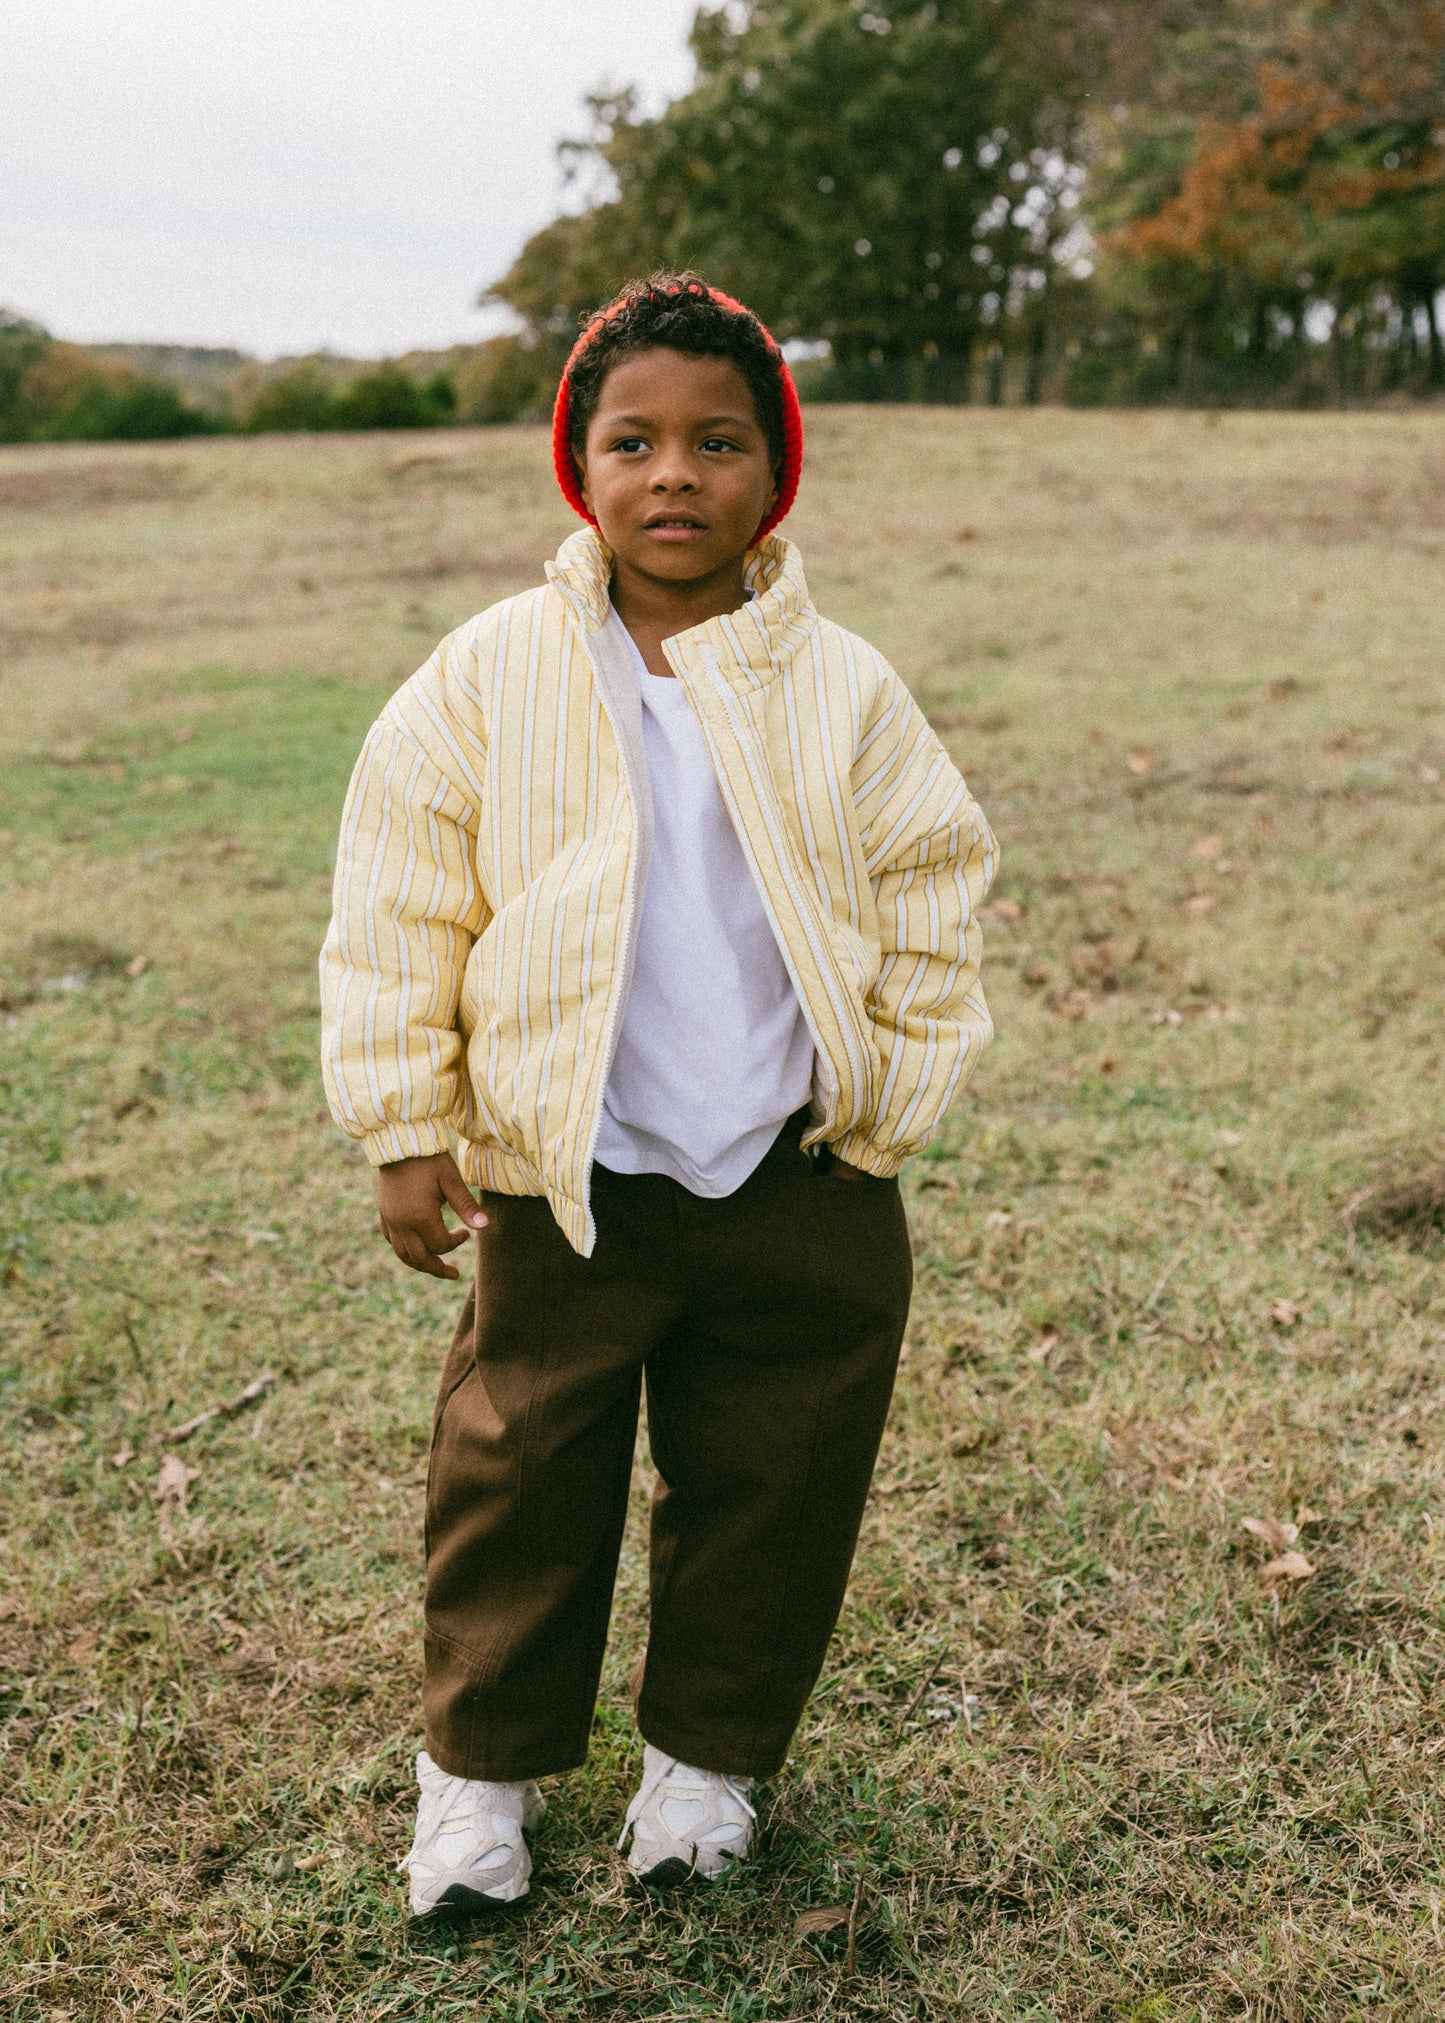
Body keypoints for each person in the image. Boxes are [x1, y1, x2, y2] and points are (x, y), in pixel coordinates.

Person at [319, 273, 997, 1915]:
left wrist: (884, 1107)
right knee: (518, 1475)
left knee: (777, 1471)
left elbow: (930, 879)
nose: (673, 475)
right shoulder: (490, 675)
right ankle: (476, 1785)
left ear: (776, 472)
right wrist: (407, 1128)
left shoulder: (839, 685)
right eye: (633, 442)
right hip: (576, 1176)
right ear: (580, 466)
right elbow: (399, 898)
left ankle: (703, 1770)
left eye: (716, 442)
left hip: (796, 1170)